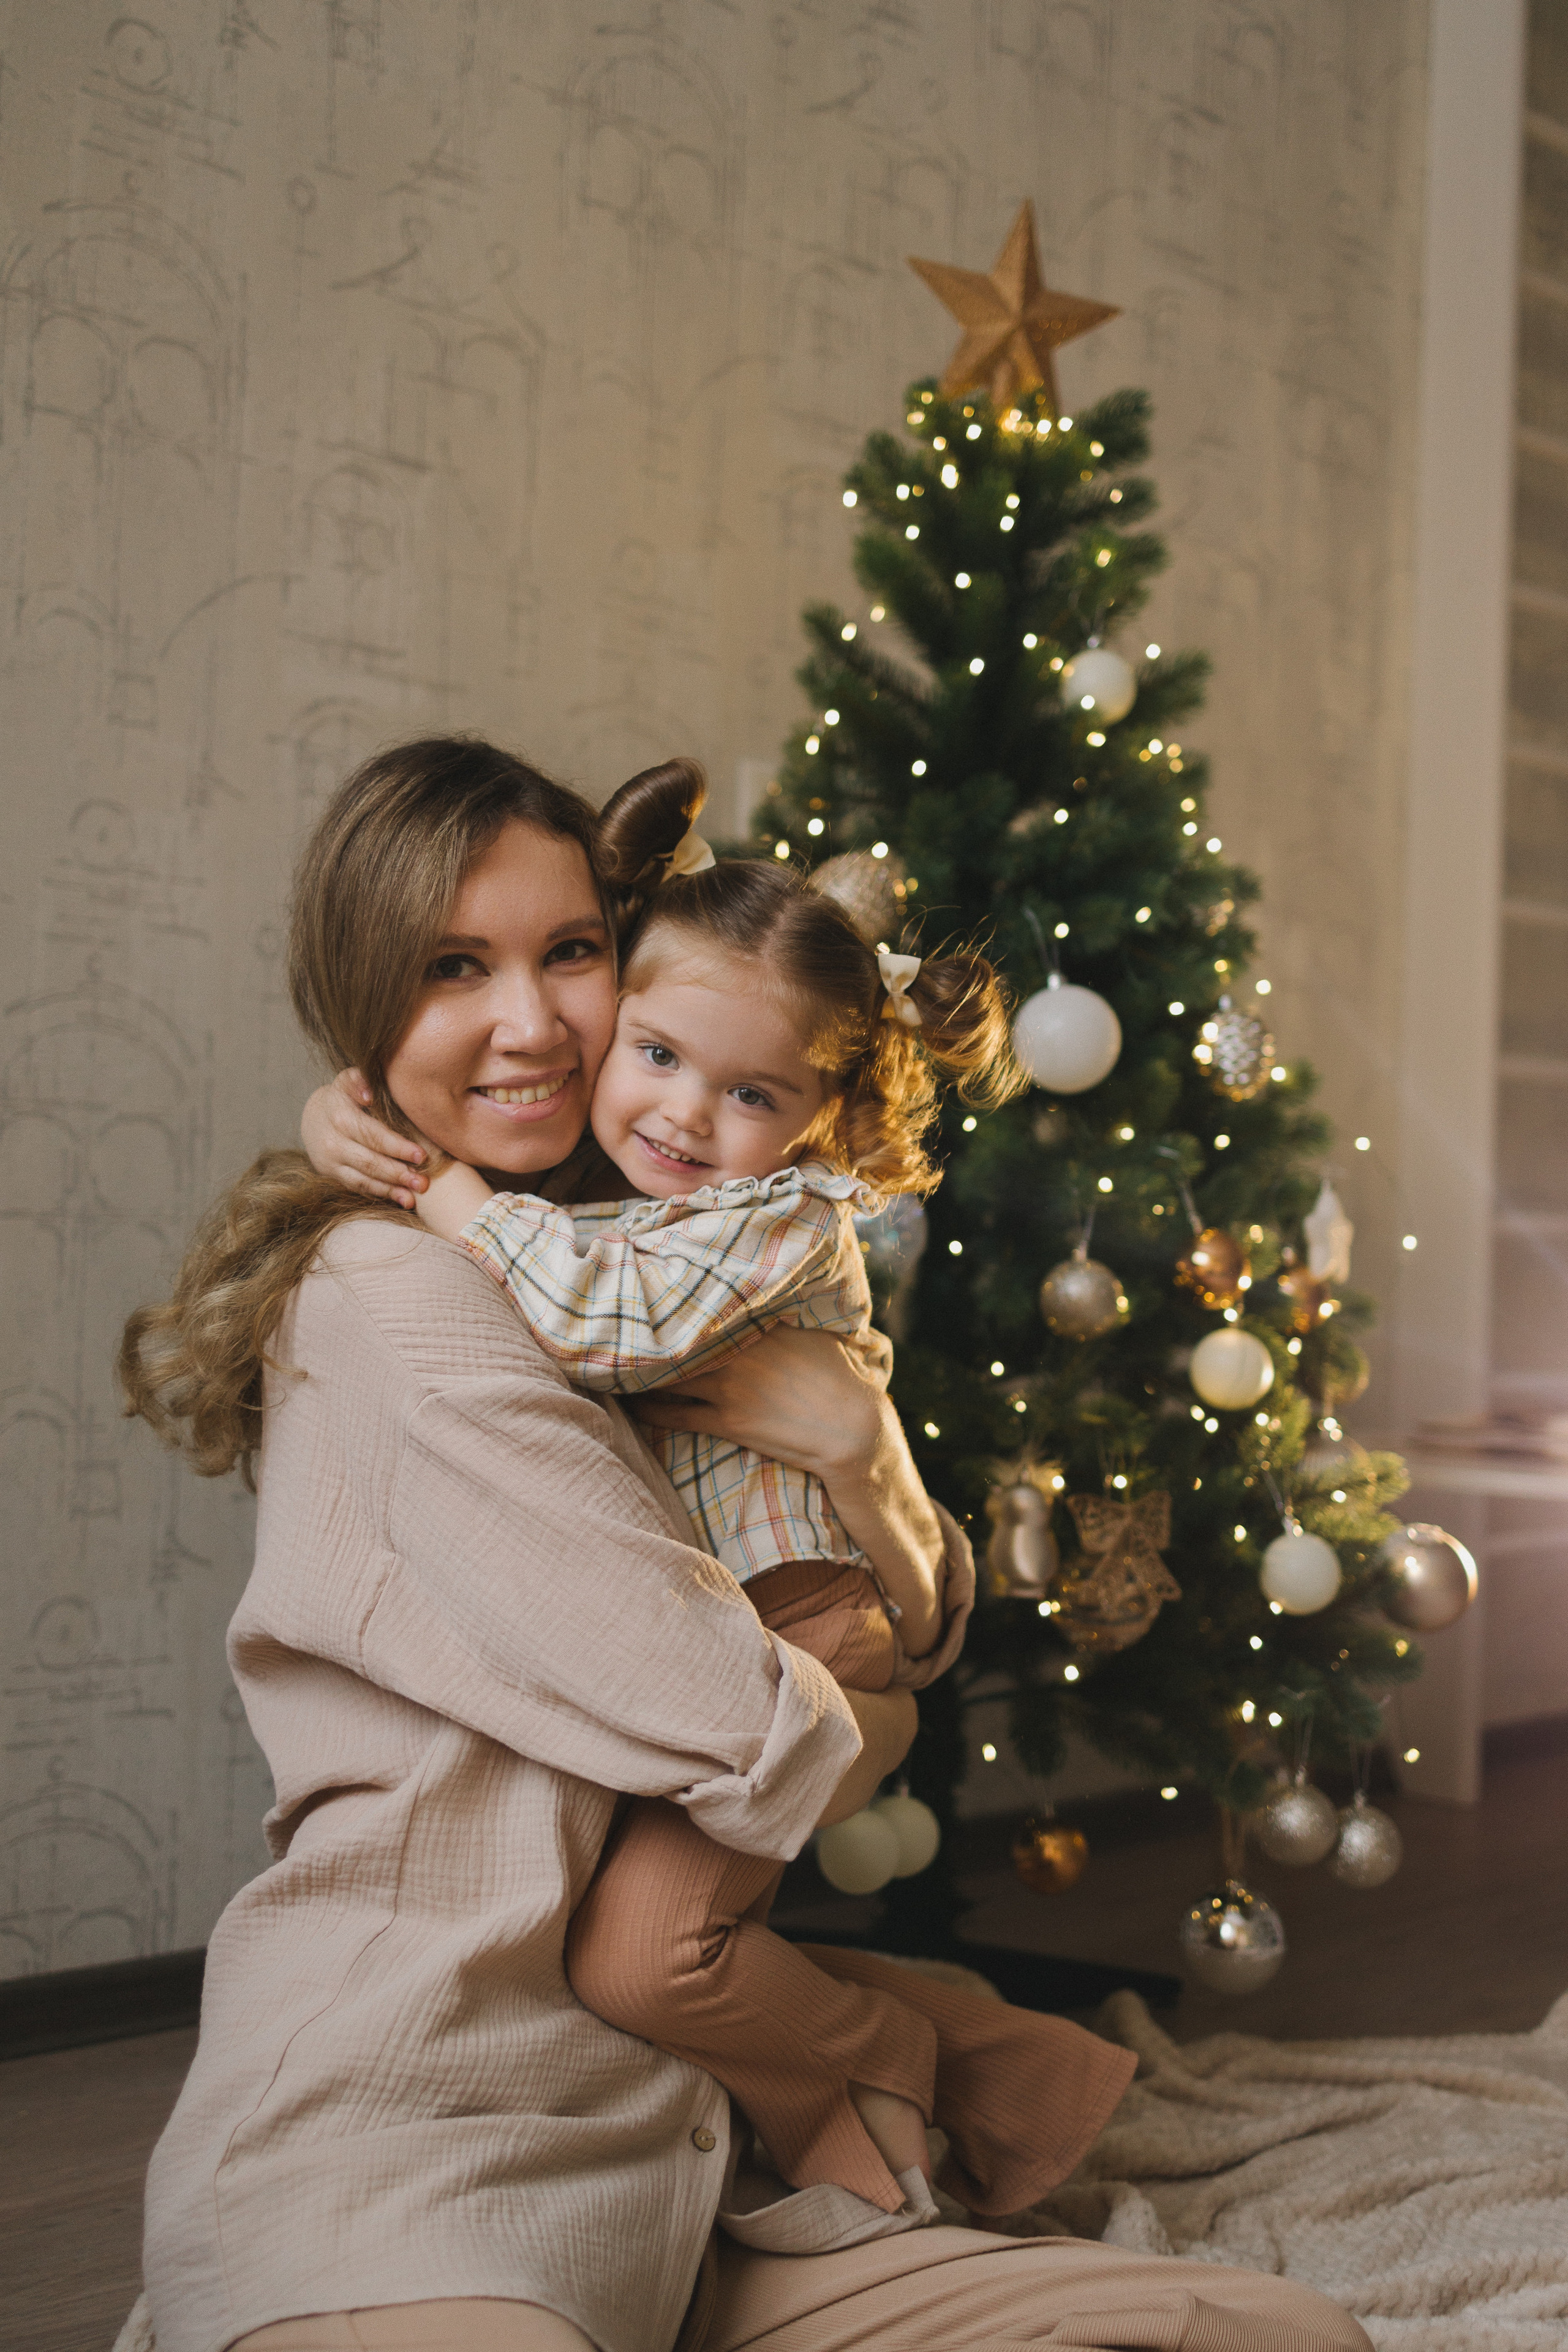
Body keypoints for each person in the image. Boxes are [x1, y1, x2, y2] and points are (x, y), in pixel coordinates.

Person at [119, 736, 1372, 2352]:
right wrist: (883, 1686)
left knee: (1285, 2337)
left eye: (568, 952)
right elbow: (758, 1705)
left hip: (676, 2140)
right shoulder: (416, 1291)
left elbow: (918, 1608)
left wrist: (864, 1458)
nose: (528, 1020)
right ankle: (931, 2061)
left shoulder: (623, 1211)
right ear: (363, 1004)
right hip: (419, 2129)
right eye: (448, 970)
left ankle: (929, 2074)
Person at [300, 755, 1131, 2236]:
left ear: (819, 1115)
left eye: (752, 1092)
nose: (685, 1114)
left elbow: (590, 1313)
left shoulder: (755, 1216)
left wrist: (427, 1177)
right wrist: (343, 1124)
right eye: (661, 1056)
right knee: (657, 1942)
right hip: (752, 1636)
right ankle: (955, 2107)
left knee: (649, 1957)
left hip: (797, 1620)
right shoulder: (573, 1199)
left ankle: (901, 2082)